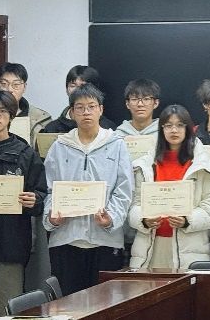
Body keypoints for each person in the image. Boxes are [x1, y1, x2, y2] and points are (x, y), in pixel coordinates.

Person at [43, 84, 133, 295]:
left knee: (104, 303)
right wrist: (52, 217)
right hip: (66, 238)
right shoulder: (60, 146)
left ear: (101, 110)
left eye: (91, 106)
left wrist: (110, 219)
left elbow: (124, 190)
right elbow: (49, 189)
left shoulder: (117, 145)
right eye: (80, 107)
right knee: (67, 303)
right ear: (72, 112)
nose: (86, 112)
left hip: (105, 239)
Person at [0, 90, 47, 319]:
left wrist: (34, 199)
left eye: (3, 111)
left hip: (11, 242)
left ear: (11, 116)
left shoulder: (25, 153)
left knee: (9, 309)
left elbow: (41, 194)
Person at [128, 105, 210, 270]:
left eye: (179, 125)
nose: (174, 130)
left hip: (190, 248)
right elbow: (133, 205)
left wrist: (187, 220)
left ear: (188, 129)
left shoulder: (202, 166)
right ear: (161, 129)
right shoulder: (146, 165)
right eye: (168, 125)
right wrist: (144, 220)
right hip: (150, 247)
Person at [0, 62, 53, 139]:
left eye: (16, 84)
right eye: (3, 84)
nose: (9, 89)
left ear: (24, 87)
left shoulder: (41, 118)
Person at [42, 65, 116, 133]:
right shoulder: (52, 128)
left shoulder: (108, 128)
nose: (77, 91)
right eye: (73, 86)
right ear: (67, 89)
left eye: (83, 86)